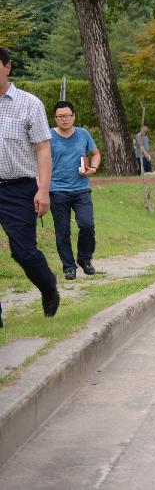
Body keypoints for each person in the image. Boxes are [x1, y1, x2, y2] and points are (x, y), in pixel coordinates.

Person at [0, 46, 60, 327]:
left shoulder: (29, 103)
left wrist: (43, 190)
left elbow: (43, 149)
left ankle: (48, 287)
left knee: (22, 251)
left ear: (7, 67)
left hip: (18, 187)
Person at [49, 101, 101, 280]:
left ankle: (84, 259)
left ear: (74, 116)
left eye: (67, 116)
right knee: (62, 231)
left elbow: (95, 153)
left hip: (81, 189)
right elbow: (39, 160)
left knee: (87, 225)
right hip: (57, 190)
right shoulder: (48, 136)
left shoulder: (83, 134)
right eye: (60, 116)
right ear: (55, 118)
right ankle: (69, 267)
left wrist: (93, 168)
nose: (64, 119)